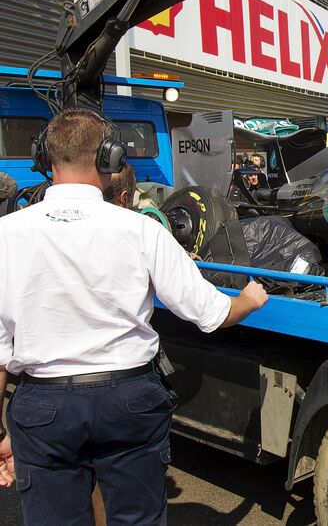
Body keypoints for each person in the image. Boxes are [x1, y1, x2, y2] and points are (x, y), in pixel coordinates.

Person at [0, 109, 269, 524]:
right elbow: (210, 313)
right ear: (110, 158)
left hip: (44, 407)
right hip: (128, 400)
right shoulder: (142, 231)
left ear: (43, 159)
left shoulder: (6, 235)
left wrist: (1, 435)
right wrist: (248, 300)